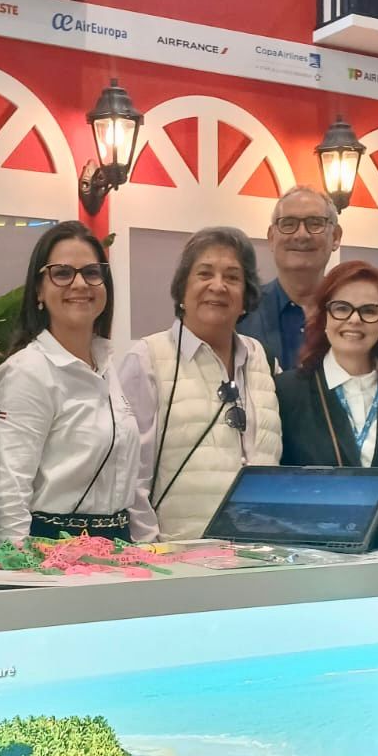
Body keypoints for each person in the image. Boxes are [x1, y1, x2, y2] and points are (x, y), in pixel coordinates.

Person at [0, 221, 150, 542]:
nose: (80, 283)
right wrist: (19, 565)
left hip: (118, 544)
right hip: (50, 548)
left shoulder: (106, 366)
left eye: (91, 272)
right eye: (62, 273)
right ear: (38, 290)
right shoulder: (27, 372)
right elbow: (9, 492)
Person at [121, 227, 280, 540]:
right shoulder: (147, 358)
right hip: (177, 556)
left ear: (246, 297)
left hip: (261, 553)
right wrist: (149, 550)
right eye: (204, 273)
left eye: (232, 277)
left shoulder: (262, 359)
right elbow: (130, 476)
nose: (218, 286)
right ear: (182, 289)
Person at [275, 259, 378, 546]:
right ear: (323, 315)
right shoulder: (287, 392)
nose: (355, 319)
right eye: (341, 308)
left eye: (369, 310)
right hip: (314, 558)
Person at [239, 186, 342, 371]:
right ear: (271, 237)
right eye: (288, 224)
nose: (301, 235)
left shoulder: (355, 315)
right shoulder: (241, 312)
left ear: (335, 236)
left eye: (315, 223)